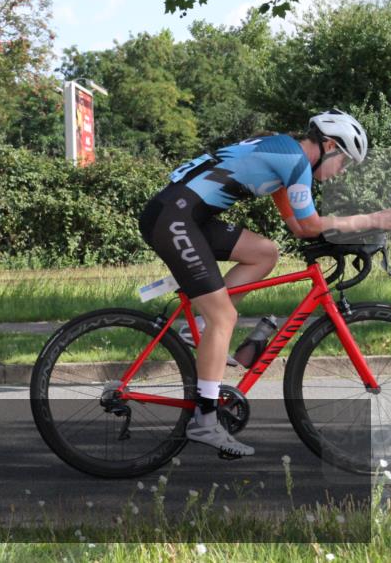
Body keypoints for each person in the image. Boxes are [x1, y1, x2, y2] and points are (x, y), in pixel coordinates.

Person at [138, 109, 391, 457]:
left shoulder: (283, 158)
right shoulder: (293, 160)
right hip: (174, 218)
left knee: (264, 252)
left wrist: (357, 234)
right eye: (344, 162)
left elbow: (302, 228)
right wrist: (374, 218)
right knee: (223, 317)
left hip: (184, 216)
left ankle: (198, 325)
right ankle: (205, 421)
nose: (340, 172)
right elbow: (315, 222)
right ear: (330, 145)